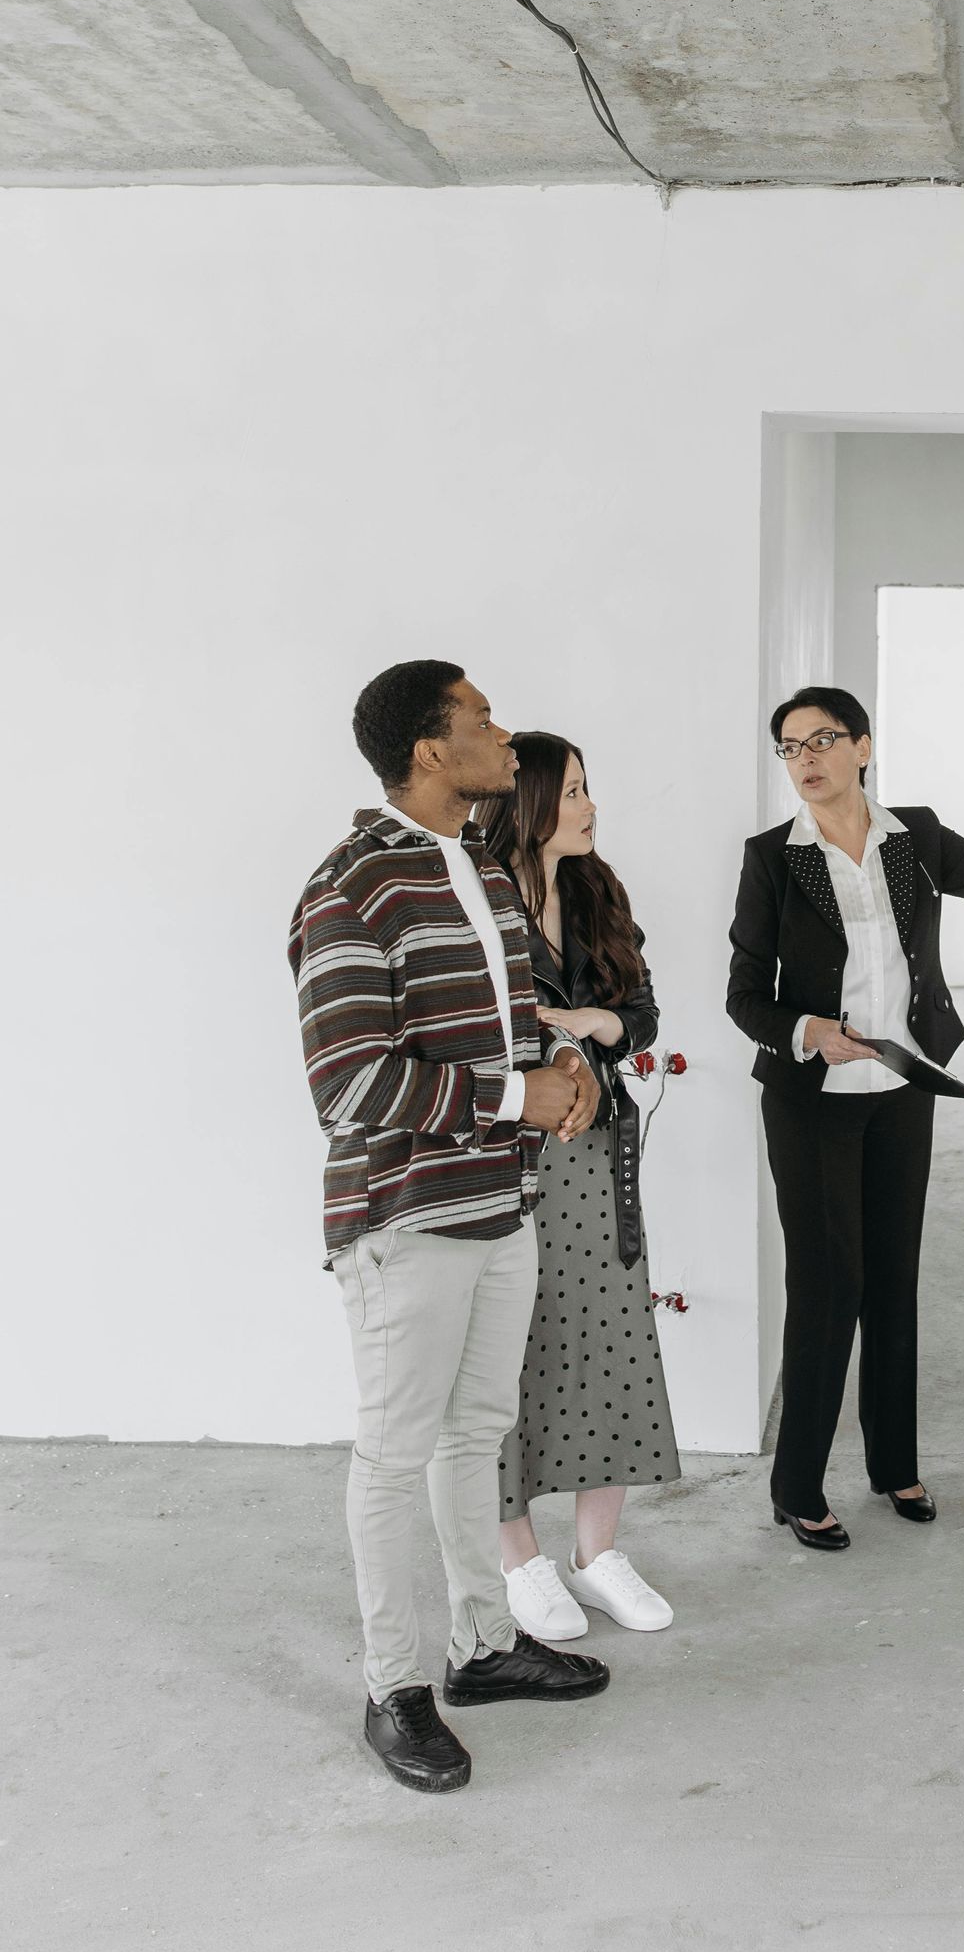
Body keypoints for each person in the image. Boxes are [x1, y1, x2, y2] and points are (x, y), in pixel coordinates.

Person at [289, 661, 612, 1797]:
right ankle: (394, 1687)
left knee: (475, 1435)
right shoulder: (350, 885)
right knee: (392, 1454)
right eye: (482, 716)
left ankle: (481, 1646)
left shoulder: (479, 864)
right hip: (404, 1218)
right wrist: (512, 1096)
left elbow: (513, 1017)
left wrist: (562, 1068)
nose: (505, 730)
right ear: (429, 749)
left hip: (499, 1207)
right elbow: (350, 1083)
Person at [727, 685, 964, 1548]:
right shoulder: (772, 857)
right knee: (826, 1291)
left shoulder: (917, 839)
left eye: (823, 740)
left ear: (863, 747)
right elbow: (743, 996)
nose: (806, 759)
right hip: (810, 1105)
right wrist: (809, 1031)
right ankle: (796, 1485)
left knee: (891, 1282)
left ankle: (892, 1464)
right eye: (790, 748)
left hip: (904, 1092)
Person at [478, 734, 681, 1641]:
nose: (591, 806)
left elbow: (641, 1008)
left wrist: (604, 1021)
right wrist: (563, 1046)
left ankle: (598, 1556)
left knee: (611, 1341)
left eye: (589, 789)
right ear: (526, 801)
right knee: (502, 1363)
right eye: (573, 791)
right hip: (505, 1157)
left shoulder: (596, 888)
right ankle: (518, 1562)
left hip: (597, 1156)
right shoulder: (476, 893)